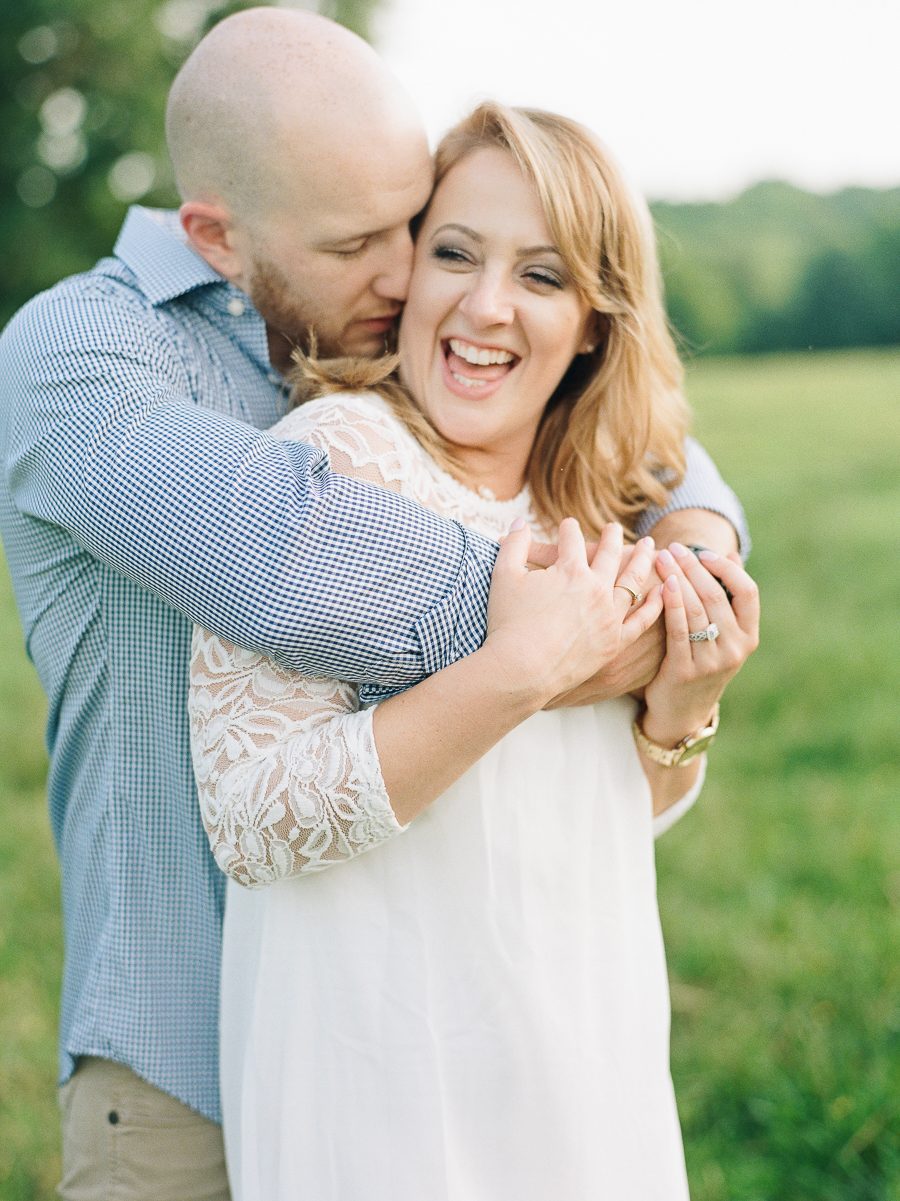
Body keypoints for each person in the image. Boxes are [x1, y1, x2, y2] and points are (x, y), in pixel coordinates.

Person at [0, 8, 748, 1199]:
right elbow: (294, 567)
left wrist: (696, 542)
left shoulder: (353, 325)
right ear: (218, 238)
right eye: (365, 243)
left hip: (428, 1039)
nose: (409, 279)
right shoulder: (79, 358)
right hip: (180, 1063)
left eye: (418, 224)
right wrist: (602, 624)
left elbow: (617, 430)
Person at [189, 103, 759, 1200]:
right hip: (384, 1077)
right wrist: (513, 673)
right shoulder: (328, 463)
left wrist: (683, 712)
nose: (485, 305)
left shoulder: (610, 498)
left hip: (580, 1055)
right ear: (410, 268)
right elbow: (250, 815)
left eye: (542, 276)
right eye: (456, 253)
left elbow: (589, 813)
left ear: (595, 321)